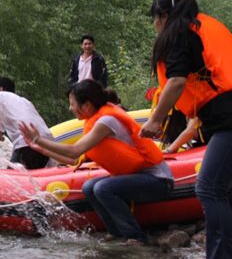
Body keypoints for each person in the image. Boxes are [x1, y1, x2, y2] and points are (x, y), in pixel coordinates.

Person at [141, 0, 232, 259]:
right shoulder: (195, 29)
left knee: (209, 188)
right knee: (214, 188)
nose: (155, 26)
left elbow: (176, 82)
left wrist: (154, 121)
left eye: (155, 19)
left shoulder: (180, 35)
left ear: (162, 17)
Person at [21, 80, 173, 244]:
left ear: (86, 105)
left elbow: (75, 150)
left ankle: (135, 237)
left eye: (72, 104)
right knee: (89, 187)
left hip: (158, 180)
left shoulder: (106, 122)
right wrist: (41, 149)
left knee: (103, 188)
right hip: (139, 177)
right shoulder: (95, 121)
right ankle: (116, 232)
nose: (70, 108)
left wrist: (38, 139)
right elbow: (73, 159)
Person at [0, 76, 54, 170]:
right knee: (32, 178)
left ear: (0, 89)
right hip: (47, 143)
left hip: (27, 143)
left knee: (13, 180)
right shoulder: (24, 101)